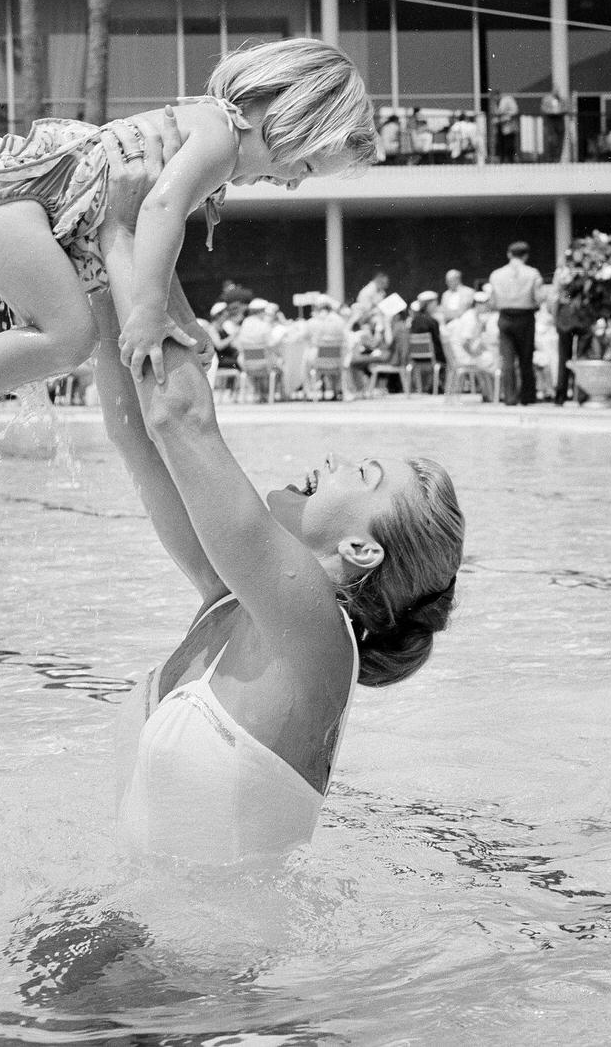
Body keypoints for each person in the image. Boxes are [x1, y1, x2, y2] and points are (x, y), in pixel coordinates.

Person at [95, 113, 466, 864]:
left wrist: (121, 231)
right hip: (137, 956)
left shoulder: (317, 637)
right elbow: (138, 432)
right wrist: (100, 271)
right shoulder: (229, 597)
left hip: (203, 980)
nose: (331, 460)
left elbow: (182, 417)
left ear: (361, 549)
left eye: (361, 476)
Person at [0, 37, 375, 484]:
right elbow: (158, 209)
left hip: (11, 181)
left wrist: (180, 318)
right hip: (25, 200)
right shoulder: (220, 138)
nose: (288, 183)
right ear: (289, 113)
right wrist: (151, 310)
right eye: (301, 166)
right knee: (69, 337)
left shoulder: (200, 131)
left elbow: (158, 238)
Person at [487, 240, 544, 405]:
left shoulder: (496, 274)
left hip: (504, 317)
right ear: (526, 255)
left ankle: (510, 398)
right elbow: (538, 298)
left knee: (507, 359)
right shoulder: (532, 273)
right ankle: (527, 397)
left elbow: (492, 301)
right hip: (525, 316)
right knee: (526, 358)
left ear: (509, 254)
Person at [492, 93, 520, 164]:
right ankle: (502, 160)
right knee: (501, 144)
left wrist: (505, 117)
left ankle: (511, 160)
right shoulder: (495, 104)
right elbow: (497, 114)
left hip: (509, 127)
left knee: (509, 144)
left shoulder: (508, 100)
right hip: (500, 127)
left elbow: (514, 111)